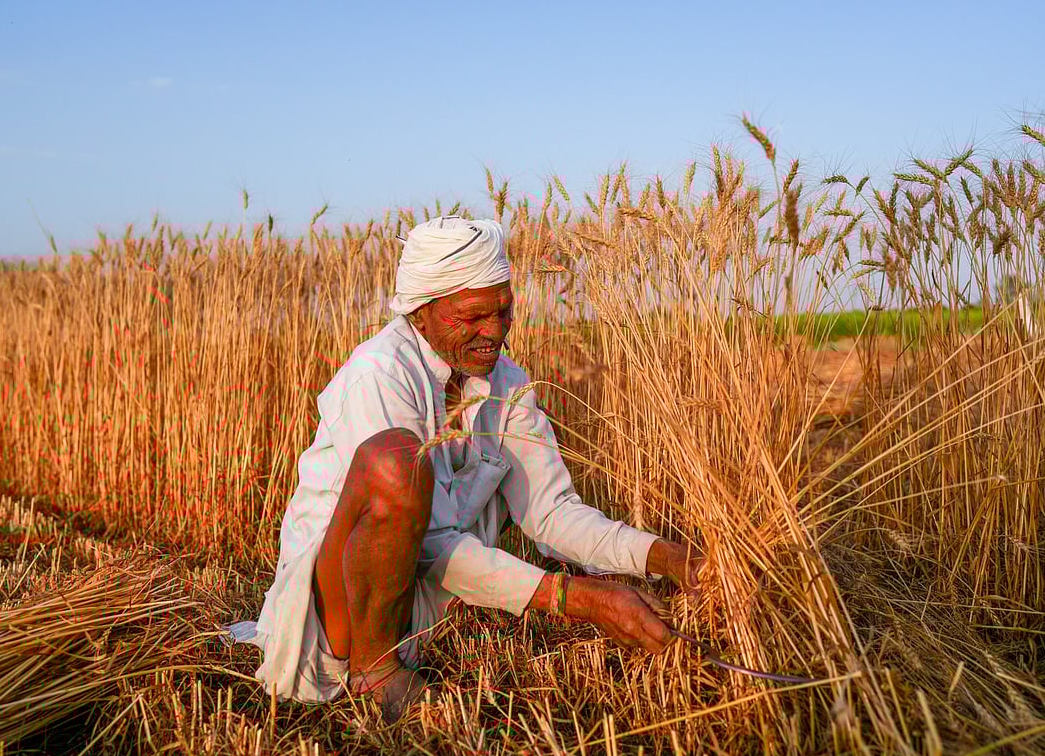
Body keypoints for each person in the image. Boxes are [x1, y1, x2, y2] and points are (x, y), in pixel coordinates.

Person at [230, 216, 703, 723]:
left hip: (422, 614)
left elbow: (552, 513)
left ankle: (402, 653)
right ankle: (373, 672)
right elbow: (430, 546)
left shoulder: (507, 383)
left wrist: (668, 557)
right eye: (473, 316)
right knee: (395, 464)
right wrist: (577, 597)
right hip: (334, 623)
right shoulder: (379, 375)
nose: (494, 331)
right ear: (421, 313)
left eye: (504, 310)